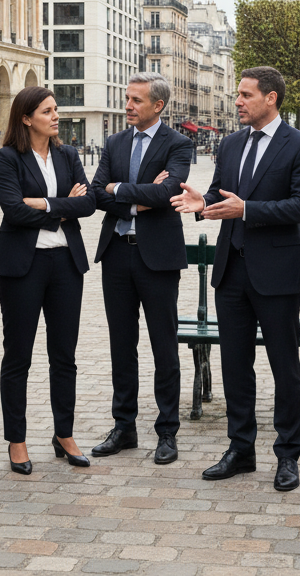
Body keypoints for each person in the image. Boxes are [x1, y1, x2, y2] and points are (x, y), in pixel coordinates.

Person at [172, 66, 300, 491]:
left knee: (284, 367)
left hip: (277, 273)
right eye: (237, 94)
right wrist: (203, 202)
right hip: (231, 269)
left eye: (245, 95)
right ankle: (241, 448)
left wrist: (248, 210)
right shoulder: (232, 143)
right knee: (235, 365)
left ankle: (288, 455)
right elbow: (221, 194)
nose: (237, 101)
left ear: (271, 98)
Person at [0, 86, 96, 473]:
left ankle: (63, 433)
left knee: (64, 355)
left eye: (56, 109)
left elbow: (88, 203)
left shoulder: (68, 154)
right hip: (23, 266)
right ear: (26, 118)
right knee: (18, 356)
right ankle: (16, 441)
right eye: (48, 111)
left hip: (66, 264)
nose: (56, 116)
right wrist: (60, 207)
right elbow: (13, 211)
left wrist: (45, 204)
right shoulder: (8, 158)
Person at [90, 74, 193, 464]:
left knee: (163, 346)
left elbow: (169, 194)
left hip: (158, 258)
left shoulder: (178, 144)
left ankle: (167, 431)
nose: (128, 105)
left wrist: (121, 190)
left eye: (135, 100)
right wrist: (135, 197)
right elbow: (97, 193)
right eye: (127, 98)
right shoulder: (115, 142)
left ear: (158, 106)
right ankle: (124, 427)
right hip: (116, 253)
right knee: (121, 344)